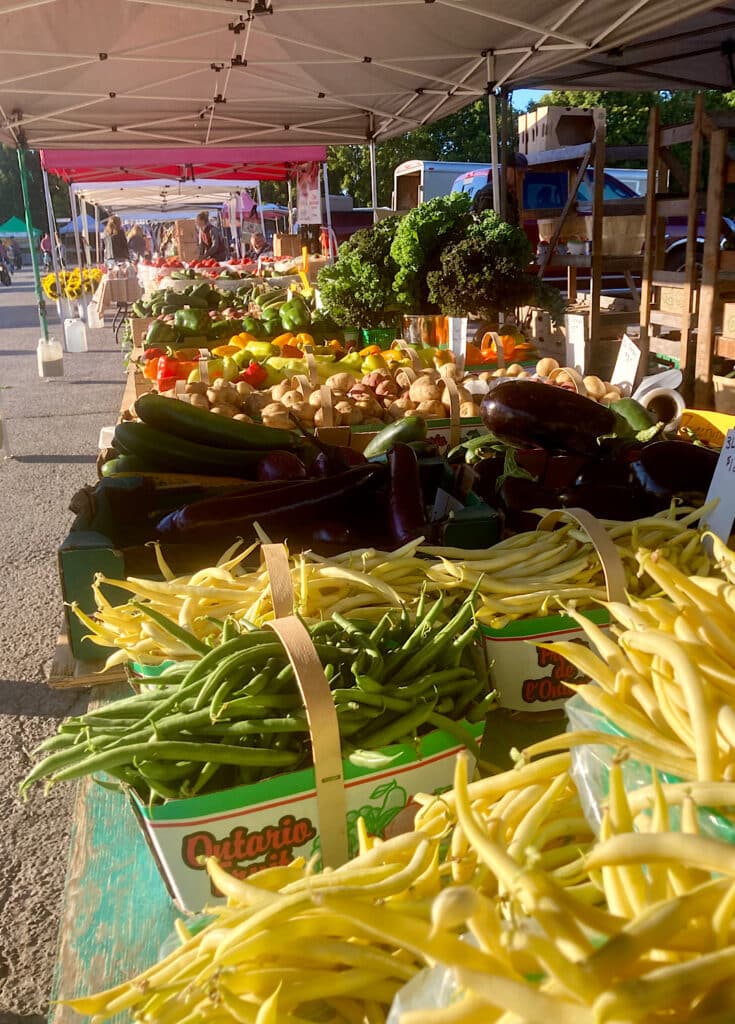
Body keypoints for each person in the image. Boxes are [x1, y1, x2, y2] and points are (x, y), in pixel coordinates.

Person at [472, 152, 528, 227]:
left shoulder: (510, 195)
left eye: (524, 173)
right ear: (507, 170)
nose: (523, 177)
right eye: (519, 172)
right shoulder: (490, 193)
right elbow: (485, 226)